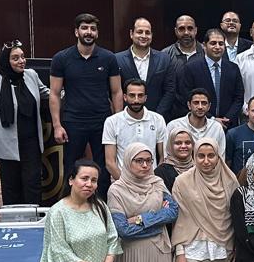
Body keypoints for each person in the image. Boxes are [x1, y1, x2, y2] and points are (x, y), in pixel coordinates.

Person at [49, 14, 123, 183]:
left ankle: (101, 199)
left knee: (103, 167)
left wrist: (118, 122)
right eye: (84, 28)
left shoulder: (108, 58)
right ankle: (70, 199)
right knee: (71, 167)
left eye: (93, 29)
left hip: (102, 121)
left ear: (97, 33)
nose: (89, 32)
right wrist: (57, 125)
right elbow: (54, 93)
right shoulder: (61, 58)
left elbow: (117, 91)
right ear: (77, 32)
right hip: (73, 121)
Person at [0, 41, 47, 205]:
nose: (21, 61)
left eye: (23, 57)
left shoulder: (31, 75)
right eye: (15, 58)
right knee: (11, 188)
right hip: (6, 146)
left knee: (33, 186)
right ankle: (13, 219)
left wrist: (67, 95)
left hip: (31, 143)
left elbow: (45, 93)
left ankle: (33, 218)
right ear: (5, 60)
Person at [101, 79, 167, 181]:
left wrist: (154, 181)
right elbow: (110, 163)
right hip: (121, 182)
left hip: (151, 181)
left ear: (145, 98)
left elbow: (163, 157)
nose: (136, 100)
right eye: (132, 95)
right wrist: (126, 184)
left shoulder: (158, 119)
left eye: (140, 96)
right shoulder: (112, 121)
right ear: (125, 97)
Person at [179, 29, 245, 130]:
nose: (217, 47)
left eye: (221, 44)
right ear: (204, 46)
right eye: (213, 43)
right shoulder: (191, 68)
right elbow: (186, 96)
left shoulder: (233, 68)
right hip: (201, 123)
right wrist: (212, 119)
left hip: (228, 125)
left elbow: (239, 97)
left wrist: (227, 119)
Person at [114, 17, 169, 114]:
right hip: (127, 117)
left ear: (151, 35)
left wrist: (157, 117)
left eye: (147, 33)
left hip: (157, 116)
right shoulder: (117, 59)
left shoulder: (164, 59)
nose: (144, 36)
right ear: (131, 34)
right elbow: (115, 91)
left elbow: (169, 91)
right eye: (139, 32)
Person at [160, 14, 202, 119]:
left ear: (196, 30)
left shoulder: (206, 53)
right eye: (182, 29)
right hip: (173, 116)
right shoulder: (165, 55)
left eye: (190, 28)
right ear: (176, 31)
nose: (186, 32)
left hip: (202, 114)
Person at [166, 89, 225, 160]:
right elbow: (167, 155)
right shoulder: (174, 126)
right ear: (189, 105)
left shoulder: (216, 127)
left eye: (204, 103)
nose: (200, 107)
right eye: (196, 103)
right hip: (179, 167)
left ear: (209, 106)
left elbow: (221, 157)